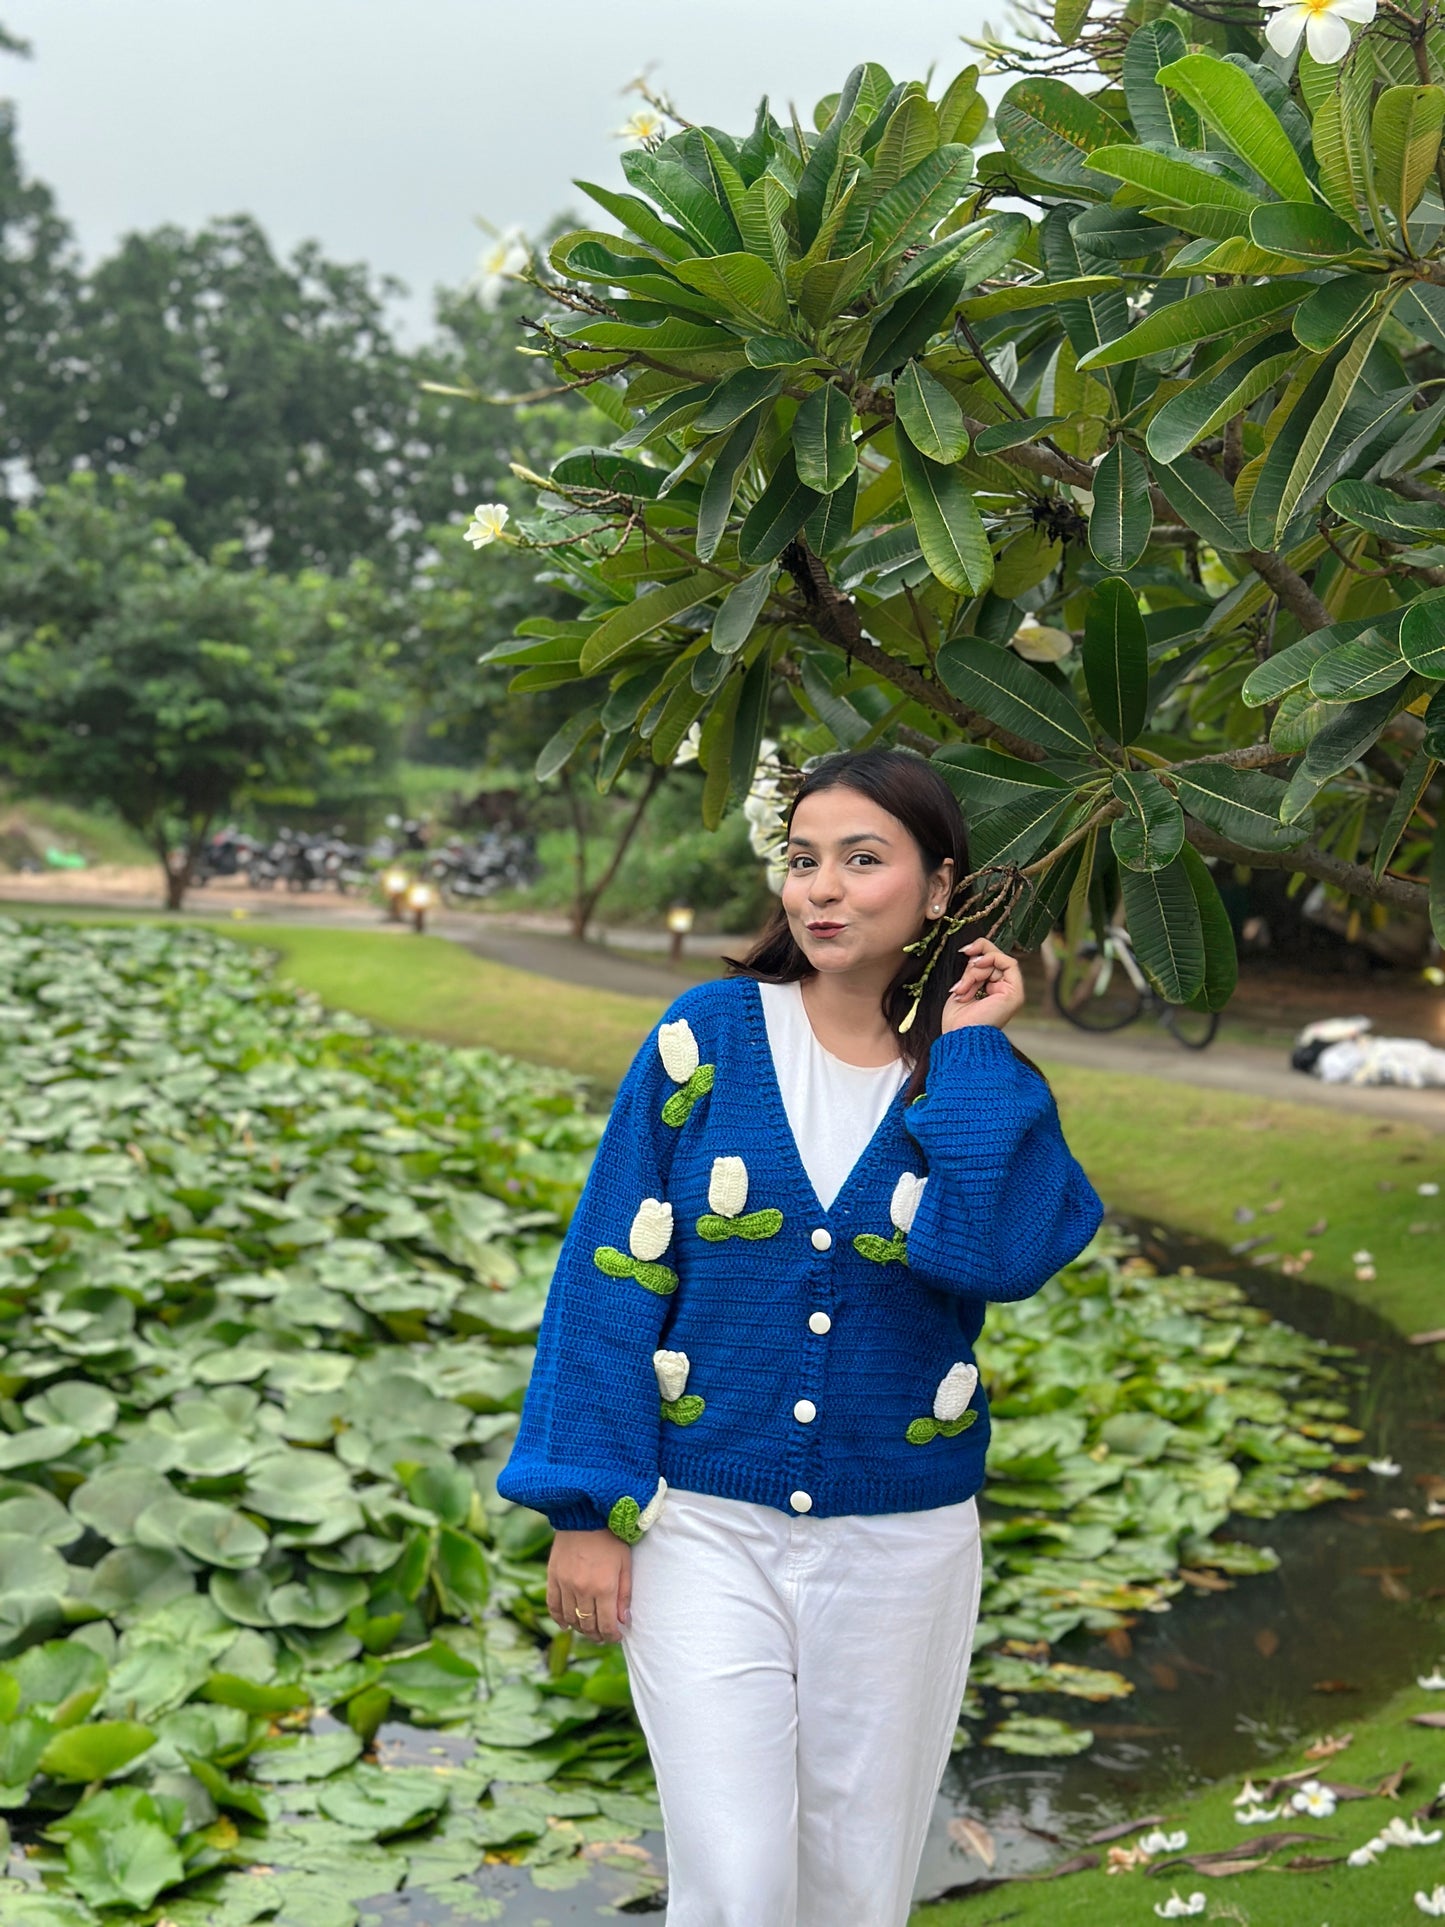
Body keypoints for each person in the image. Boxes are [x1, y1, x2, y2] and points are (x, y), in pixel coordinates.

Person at [497, 746, 1104, 1926]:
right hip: (702, 1529)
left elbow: (991, 1256)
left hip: (903, 1545)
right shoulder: (706, 1035)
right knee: (734, 1880)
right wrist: (586, 1508)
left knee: (852, 1889)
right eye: (803, 858)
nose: (820, 888)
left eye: (862, 861)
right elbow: (610, 1272)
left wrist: (970, 1045)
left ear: (937, 888)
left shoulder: (975, 1082)